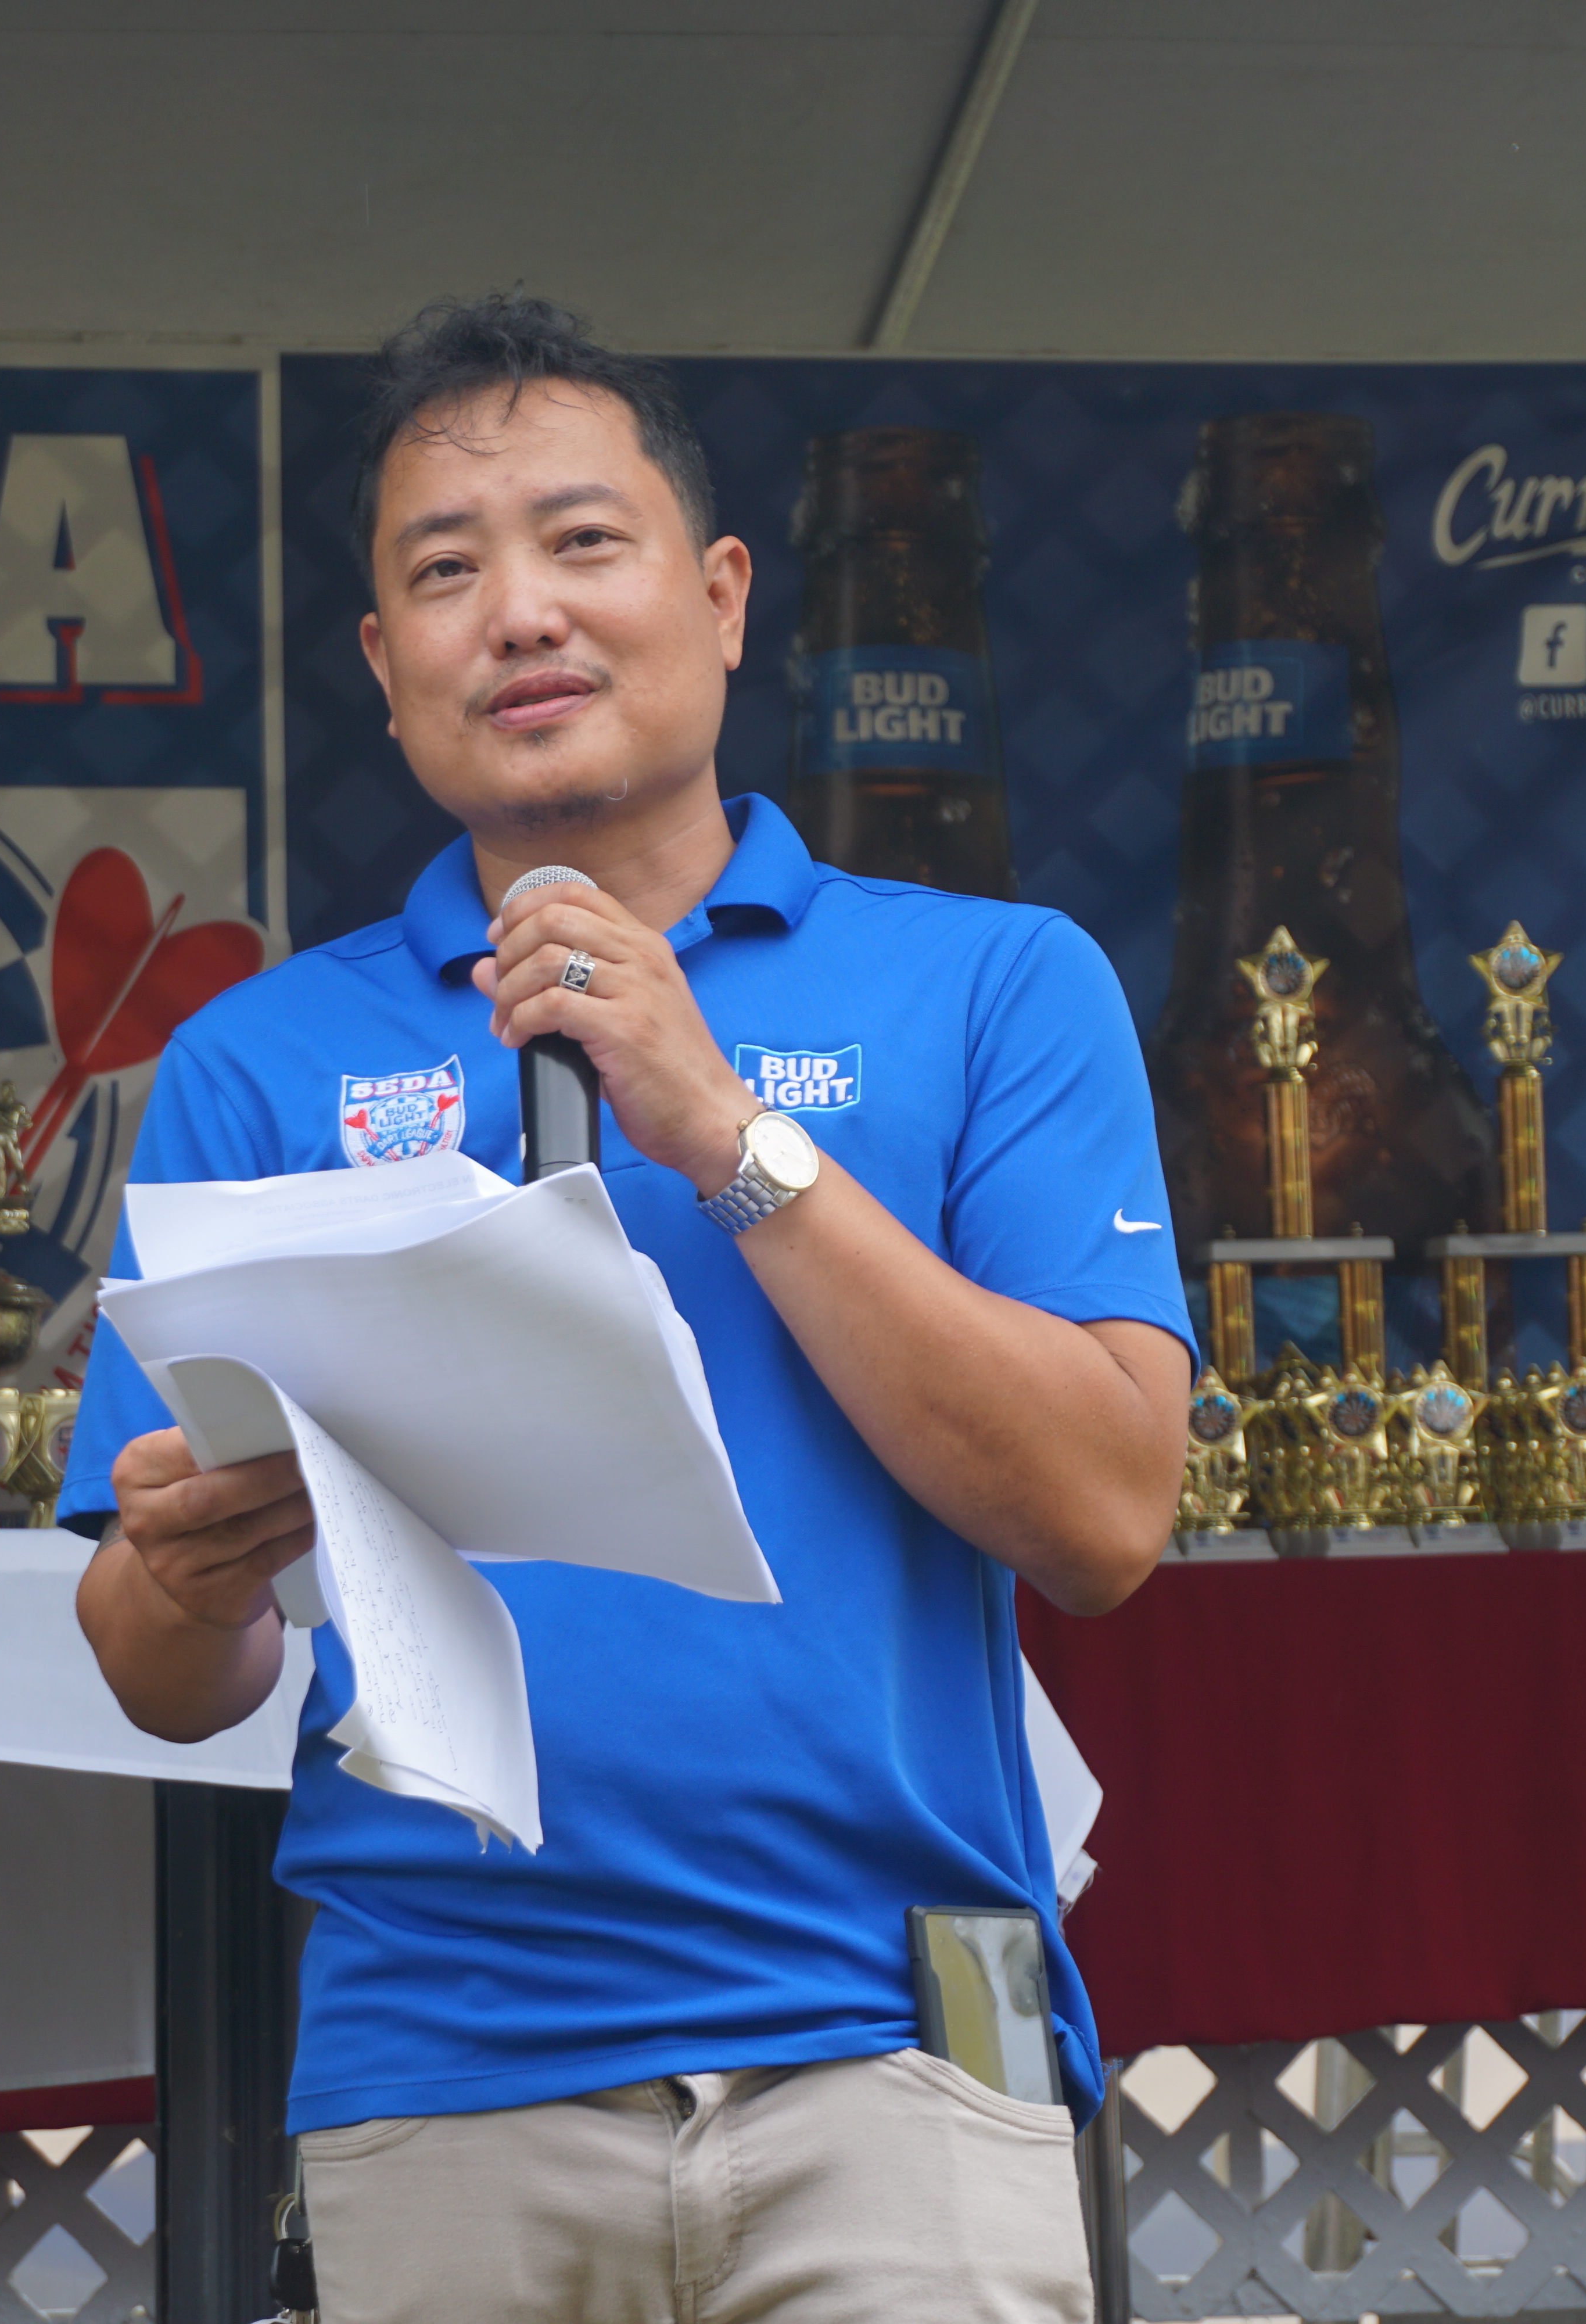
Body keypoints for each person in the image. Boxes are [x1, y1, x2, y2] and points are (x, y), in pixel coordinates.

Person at [61, 292, 1195, 2321]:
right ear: (384, 667)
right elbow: (162, 1675)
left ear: (724, 594)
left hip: (900, 2049)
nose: (520, 614)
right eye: (444, 571)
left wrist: (726, 1131)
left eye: (584, 543)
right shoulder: (255, 1062)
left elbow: (1108, 1518)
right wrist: (192, 1569)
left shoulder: (997, 985)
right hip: (446, 2064)